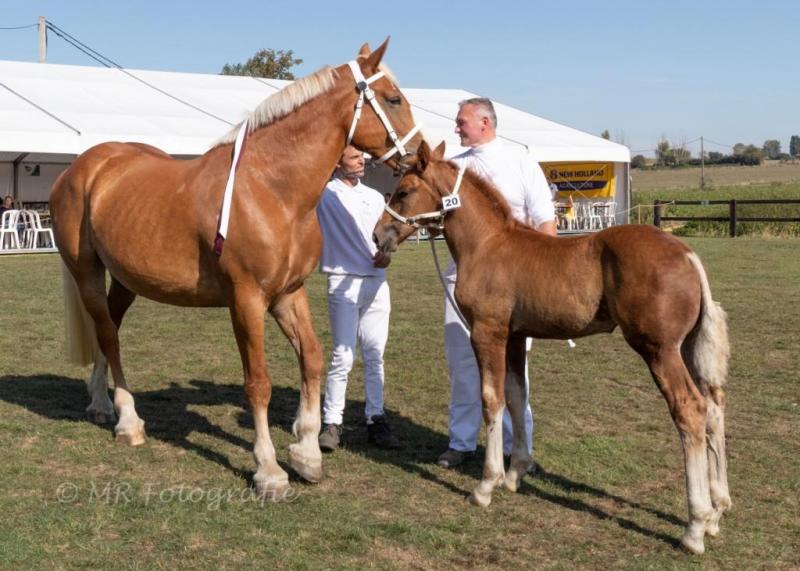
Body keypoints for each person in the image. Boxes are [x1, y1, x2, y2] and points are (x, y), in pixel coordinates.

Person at [438, 98, 557, 468]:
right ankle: (461, 442)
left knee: (513, 365)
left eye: (462, 122)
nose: (456, 128)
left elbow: (544, 219)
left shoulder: (519, 159)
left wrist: (546, 276)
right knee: (463, 363)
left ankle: (516, 447)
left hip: (517, 283)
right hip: (466, 278)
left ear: (485, 122)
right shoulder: (453, 168)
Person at [316, 145, 401, 451]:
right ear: (337, 162)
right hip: (343, 281)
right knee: (343, 354)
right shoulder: (325, 194)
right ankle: (332, 422)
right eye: (354, 157)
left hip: (377, 282)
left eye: (361, 157)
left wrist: (388, 255)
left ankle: (376, 419)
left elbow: (389, 237)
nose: (362, 161)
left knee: (375, 355)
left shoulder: (375, 196)